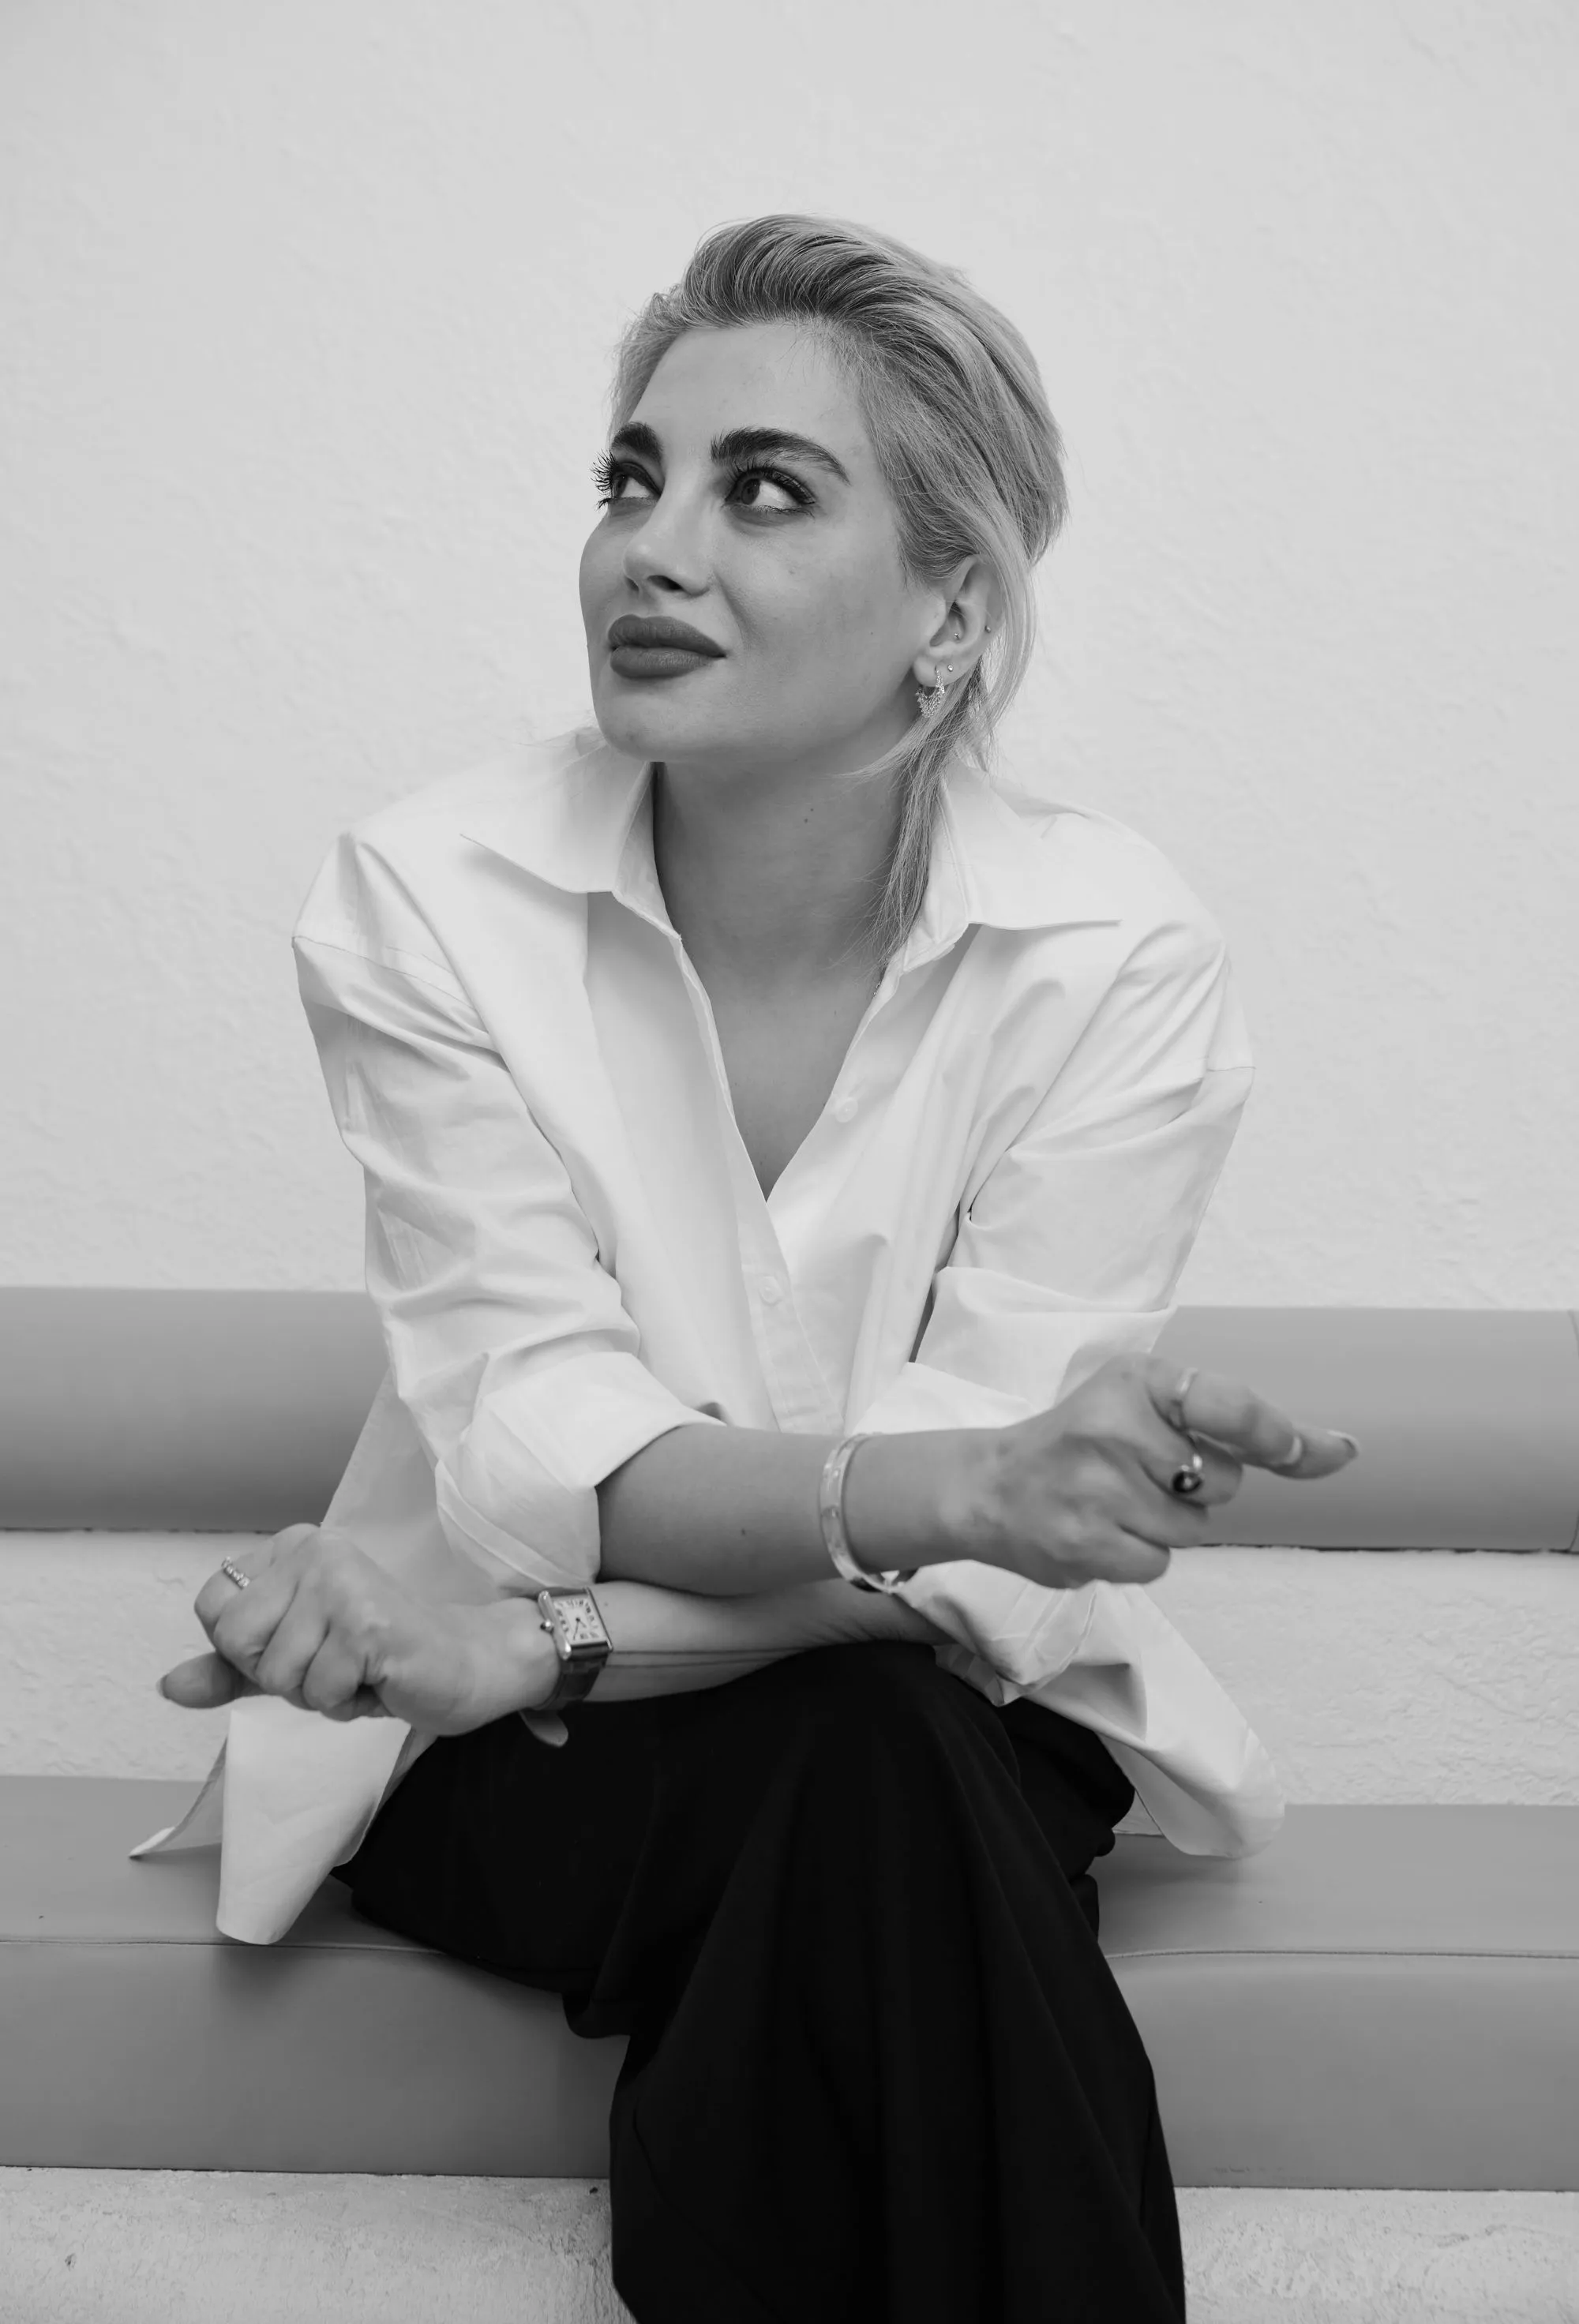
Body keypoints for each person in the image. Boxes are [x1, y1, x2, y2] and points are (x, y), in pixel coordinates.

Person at [157, 213, 1359, 2322]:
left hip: (795, 1699)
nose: (652, 545)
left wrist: (552, 1637)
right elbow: (548, 1431)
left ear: (951, 607)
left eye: (763, 489)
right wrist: (887, 1515)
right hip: (500, 1764)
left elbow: (971, 1579)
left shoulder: (1113, 950)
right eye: (634, 476)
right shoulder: (429, 897)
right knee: (871, 1781)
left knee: (875, 1760)